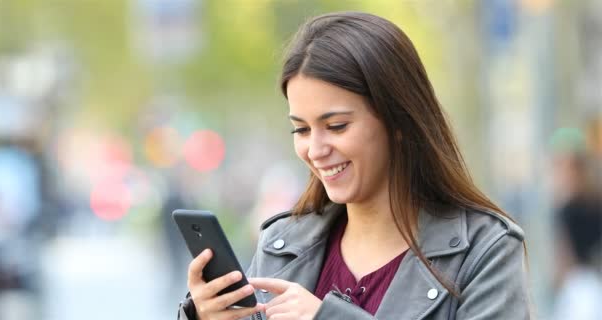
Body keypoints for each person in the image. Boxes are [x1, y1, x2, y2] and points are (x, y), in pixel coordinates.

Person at [178, 11, 530, 320]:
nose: (315, 149)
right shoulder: (281, 245)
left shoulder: (485, 250)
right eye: (301, 129)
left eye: (336, 126)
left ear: (399, 122)